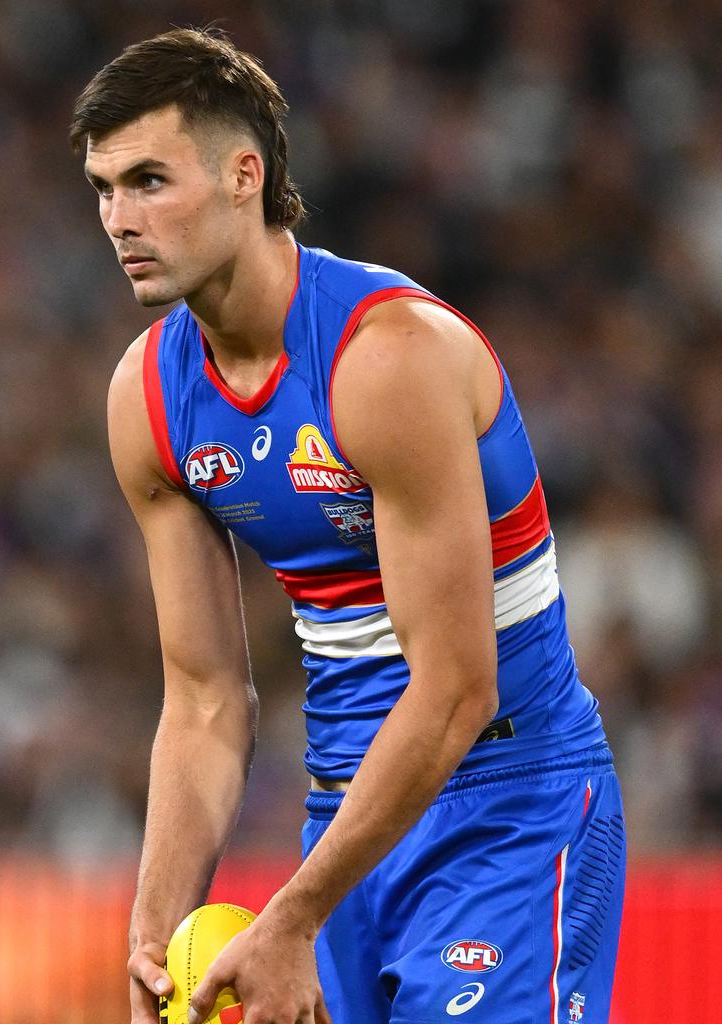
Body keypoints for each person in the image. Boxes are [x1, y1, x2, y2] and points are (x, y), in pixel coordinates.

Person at [71, 27, 626, 1024]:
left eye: (150, 180)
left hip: (508, 804)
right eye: (104, 188)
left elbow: (456, 687)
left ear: (246, 175)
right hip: (349, 820)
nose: (119, 218)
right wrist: (154, 926)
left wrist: (289, 918)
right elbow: (202, 699)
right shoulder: (147, 398)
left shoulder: (385, 358)